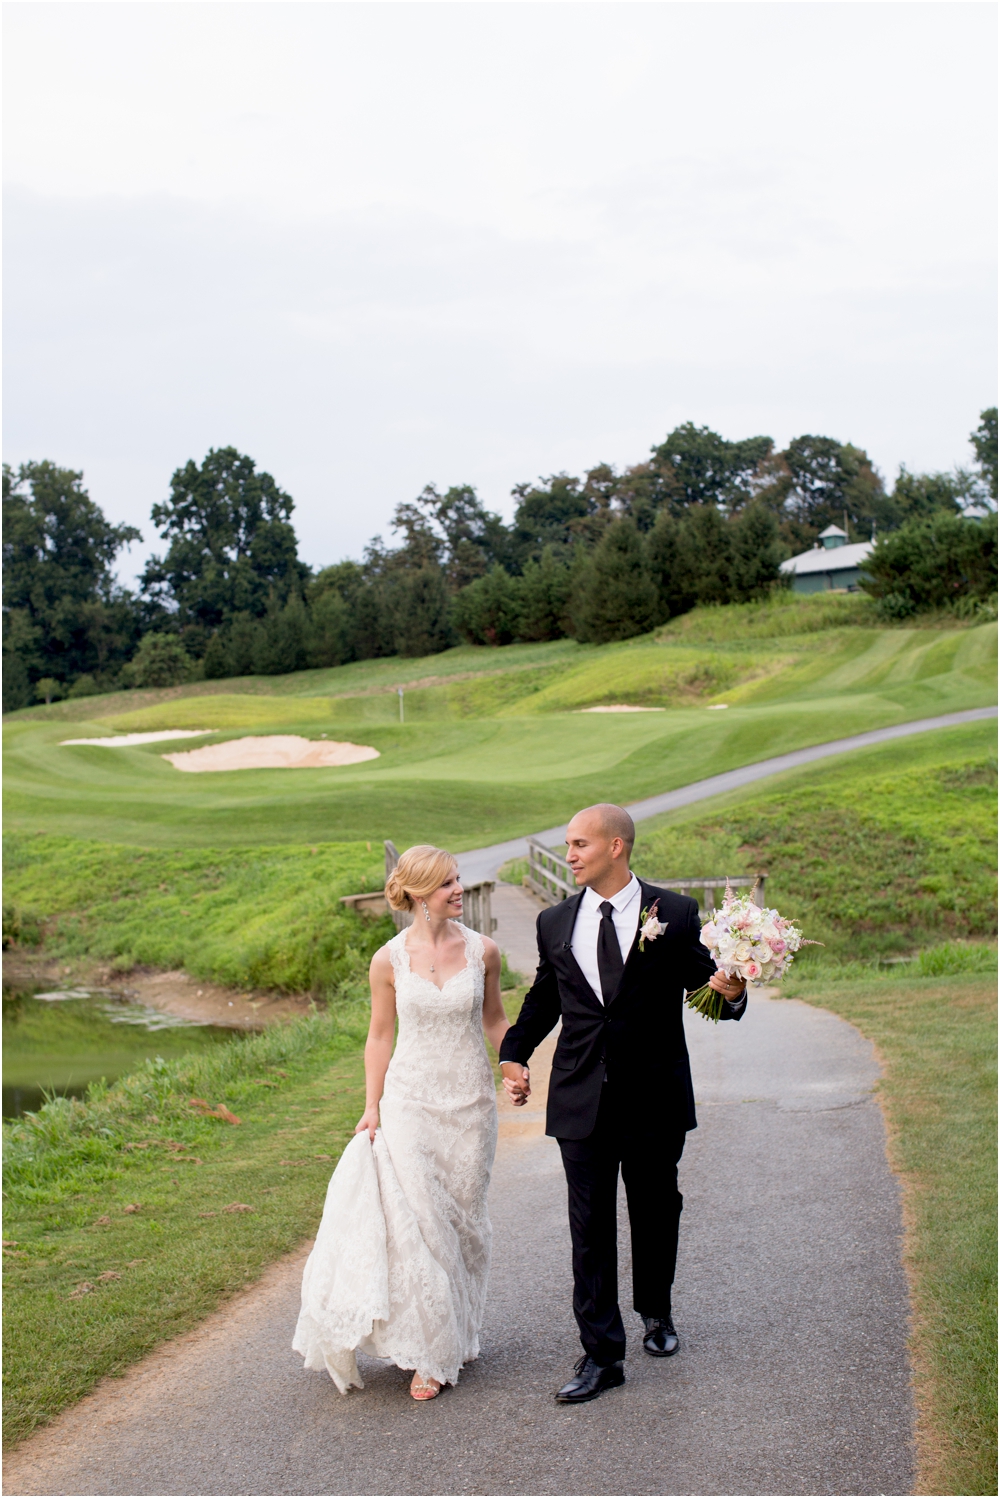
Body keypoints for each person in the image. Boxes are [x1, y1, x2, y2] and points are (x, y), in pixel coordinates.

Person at [498, 803, 747, 1404]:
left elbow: (706, 987)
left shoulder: (677, 913)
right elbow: (546, 995)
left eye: (580, 843)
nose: (570, 855)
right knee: (588, 1225)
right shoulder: (554, 920)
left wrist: (731, 991)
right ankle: (602, 1354)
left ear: (617, 846)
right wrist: (514, 1051)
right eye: (566, 845)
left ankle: (656, 1313)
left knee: (657, 1208)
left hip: (655, 1093)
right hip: (580, 1092)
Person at [293, 844, 512, 1402]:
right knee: (423, 1224)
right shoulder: (386, 960)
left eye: (459, 879)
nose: (459, 889)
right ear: (417, 894)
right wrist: (371, 1106)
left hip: (469, 1106)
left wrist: (514, 1065)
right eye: (446, 884)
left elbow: (494, 1019)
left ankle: (459, 1331)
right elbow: (379, 1034)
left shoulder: (484, 952)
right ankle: (429, 1352)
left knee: (464, 1223)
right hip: (409, 1102)